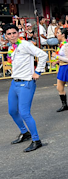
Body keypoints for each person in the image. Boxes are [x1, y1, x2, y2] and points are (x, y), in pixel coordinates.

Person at [5, 24, 47, 152]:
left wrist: (38, 71)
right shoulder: (12, 47)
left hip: (26, 83)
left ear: (18, 33)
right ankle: (25, 133)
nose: (12, 36)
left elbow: (43, 55)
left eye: (14, 33)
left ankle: (36, 140)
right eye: (9, 34)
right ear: (5, 36)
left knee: (24, 113)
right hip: (15, 83)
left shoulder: (25, 44)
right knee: (12, 111)